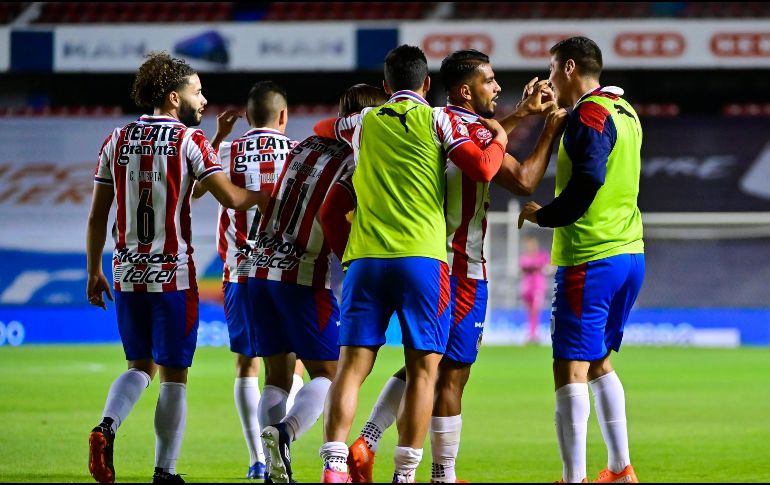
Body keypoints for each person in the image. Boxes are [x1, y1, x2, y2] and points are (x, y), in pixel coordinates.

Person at [331, 49, 567, 483]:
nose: (497, 87)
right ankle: (442, 474)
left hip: (410, 257)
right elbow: (525, 179)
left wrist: (517, 116)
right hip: (456, 269)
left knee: (424, 366)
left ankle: (365, 441)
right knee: (448, 374)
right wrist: (549, 129)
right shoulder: (451, 126)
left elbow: (482, 135)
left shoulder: (437, 121)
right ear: (464, 89)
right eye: (490, 81)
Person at [314, 45, 509, 484]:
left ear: (385, 88)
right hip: (422, 258)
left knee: (351, 367)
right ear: (426, 84)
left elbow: (325, 126)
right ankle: (405, 474)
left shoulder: (362, 122)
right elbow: (481, 166)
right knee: (424, 371)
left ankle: (333, 464)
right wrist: (500, 136)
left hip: (364, 258)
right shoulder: (440, 119)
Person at [85, 51, 264, 484]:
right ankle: (165, 472)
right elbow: (231, 198)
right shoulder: (189, 142)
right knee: (173, 375)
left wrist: (94, 270)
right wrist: (272, 195)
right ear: (172, 97)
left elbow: (96, 216)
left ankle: (105, 427)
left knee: (138, 367)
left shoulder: (117, 139)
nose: (203, 100)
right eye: (197, 92)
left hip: (127, 272)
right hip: (173, 275)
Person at [246, 84, 389, 483]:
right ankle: (285, 433)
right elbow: (333, 214)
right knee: (333, 374)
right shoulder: (356, 156)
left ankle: (275, 470)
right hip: (301, 274)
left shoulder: (304, 144)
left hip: (258, 267)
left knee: (276, 375)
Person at [518, 36, 645, 484]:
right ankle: (619, 468)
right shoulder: (624, 112)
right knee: (599, 362)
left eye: (552, 69)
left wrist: (545, 215)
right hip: (629, 253)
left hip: (591, 257)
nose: (550, 78)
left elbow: (589, 178)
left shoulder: (590, 114)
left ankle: (573, 479)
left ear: (569, 67)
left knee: (568, 365)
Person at [193, 81, 297, 480]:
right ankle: (284, 442)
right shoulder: (299, 152)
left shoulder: (226, 152)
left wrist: (219, 136)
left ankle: (258, 459)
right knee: (295, 364)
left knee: (246, 364)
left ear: (248, 117)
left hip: (241, 273)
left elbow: (198, 193)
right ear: (283, 115)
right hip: (290, 271)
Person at [519, 235, 553, 344]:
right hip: (527, 287)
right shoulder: (524, 257)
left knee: (535, 310)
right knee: (530, 311)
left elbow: (549, 267)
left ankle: (533, 335)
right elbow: (523, 268)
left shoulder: (542, 256)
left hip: (538, 286)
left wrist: (542, 269)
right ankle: (531, 333)